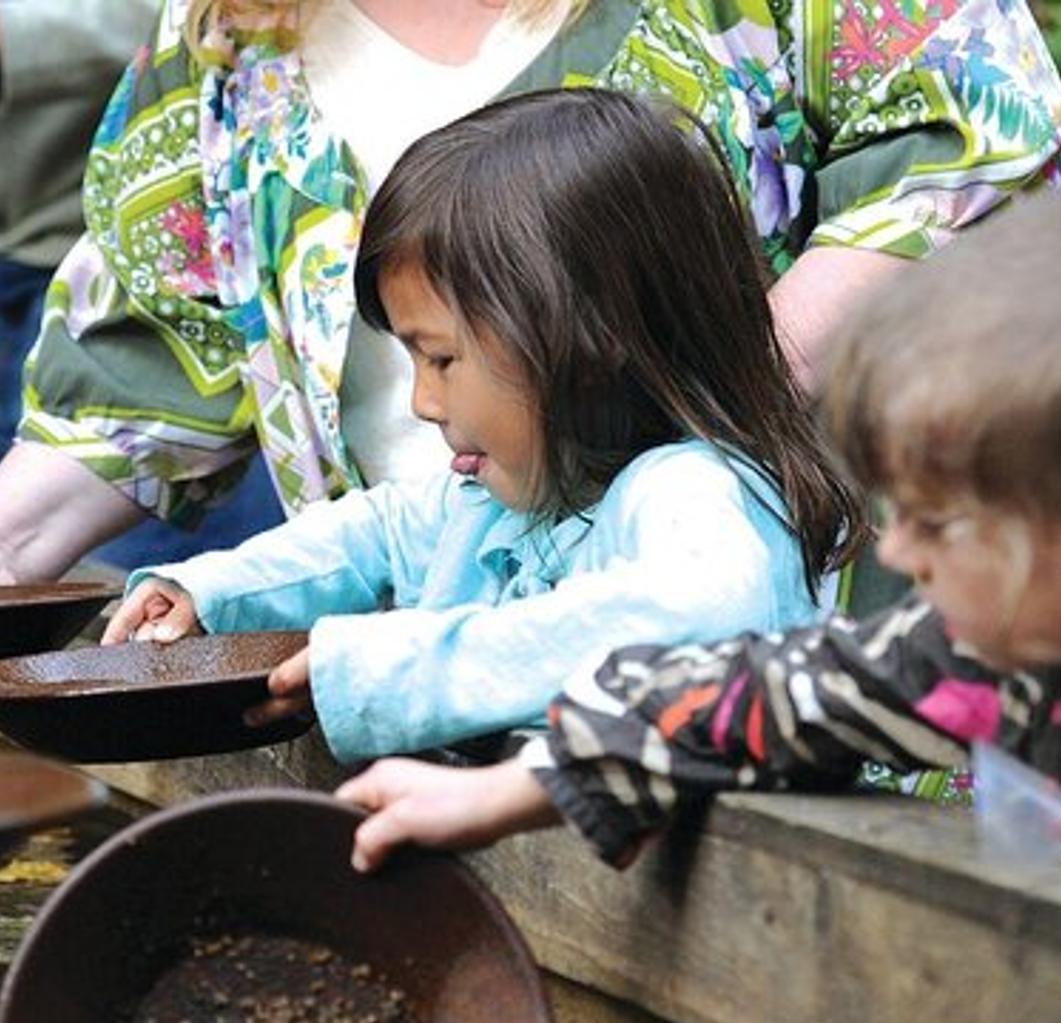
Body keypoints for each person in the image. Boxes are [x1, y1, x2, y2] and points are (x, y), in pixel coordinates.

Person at [0, 0, 1061, 602]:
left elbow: (979, 150)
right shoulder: (225, 32)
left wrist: (694, 427)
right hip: (430, 690)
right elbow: (147, 354)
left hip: (804, 661)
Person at [336, 174, 1061, 870]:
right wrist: (508, 790)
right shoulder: (1005, 656)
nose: (895, 549)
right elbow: (759, 694)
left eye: (936, 523)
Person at [100, 88, 861, 762]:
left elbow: (700, 616)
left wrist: (393, 669)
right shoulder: (520, 497)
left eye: (441, 359)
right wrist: (212, 592)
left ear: (591, 340)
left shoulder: (694, 491)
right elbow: (376, 533)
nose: (423, 402)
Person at [0, 0, 283, 565]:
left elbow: (222, 18)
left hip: (185, 304)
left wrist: (15, 32)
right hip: (25, 285)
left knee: (164, 602)